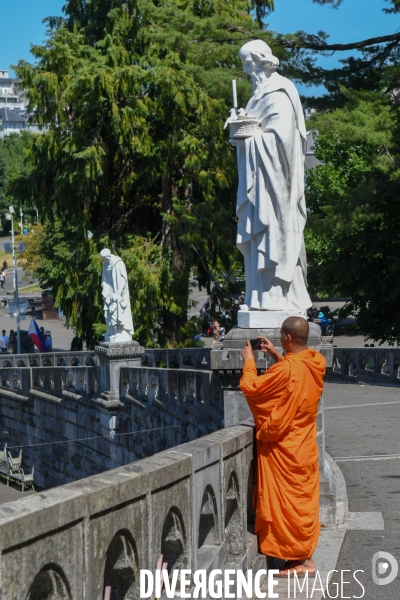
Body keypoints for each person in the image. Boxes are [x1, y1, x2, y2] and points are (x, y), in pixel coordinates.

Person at [226, 40, 311, 312]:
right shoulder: (259, 95)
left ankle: (278, 300)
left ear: (263, 60)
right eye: (243, 65)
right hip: (260, 186)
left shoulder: (278, 93)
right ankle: (261, 299)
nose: (246, 70)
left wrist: (249, 137)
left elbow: (281, 140)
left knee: (275, 238)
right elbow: (256, 129)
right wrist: (239, 122)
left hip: (276, 191)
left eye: (248, 63)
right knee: (261, 241)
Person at [240, 317, 326, 576]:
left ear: (288, 338)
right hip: (304, 447)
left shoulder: (288, 369)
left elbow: (252, 387)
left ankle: (301, 561)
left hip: (285, 448)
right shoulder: (315, 361)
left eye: (281, 336)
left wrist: (249, 362)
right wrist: (279, 356)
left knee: (290, 505)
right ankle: (305, 558)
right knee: (302, 503)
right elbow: (294, 378)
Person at [100, 248, 134, 342]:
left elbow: (123, 280)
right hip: (109, 289)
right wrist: (105, 291)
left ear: (109, 256)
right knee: (107, 311)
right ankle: (111, 331)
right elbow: (105, 279)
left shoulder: (118, 263)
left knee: (117, 311)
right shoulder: (105, 264)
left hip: (118, 291)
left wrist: (118, 293)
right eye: (104, 259)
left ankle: (120, 333)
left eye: (106, 258)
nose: (105, 260)